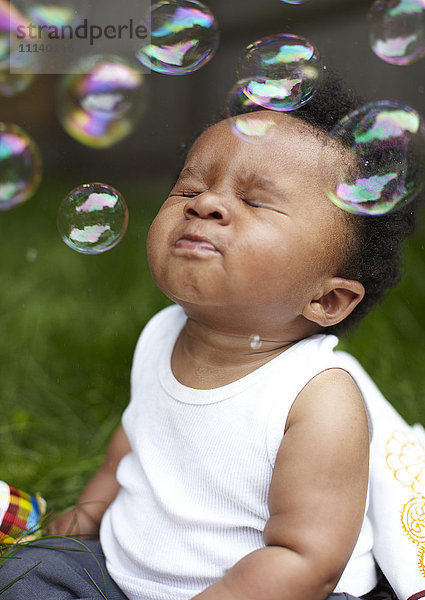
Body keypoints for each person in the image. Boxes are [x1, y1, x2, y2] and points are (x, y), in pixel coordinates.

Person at [2, 74, 424, 600]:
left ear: (326, 300)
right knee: (28, 576)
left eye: (256, 200)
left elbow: (305, 559)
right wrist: (72, 530)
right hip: (128, 567)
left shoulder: (318, 399)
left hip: (269, 590)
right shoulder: (161, 332)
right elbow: (130, 451)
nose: (206, 205)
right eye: (190, 188)